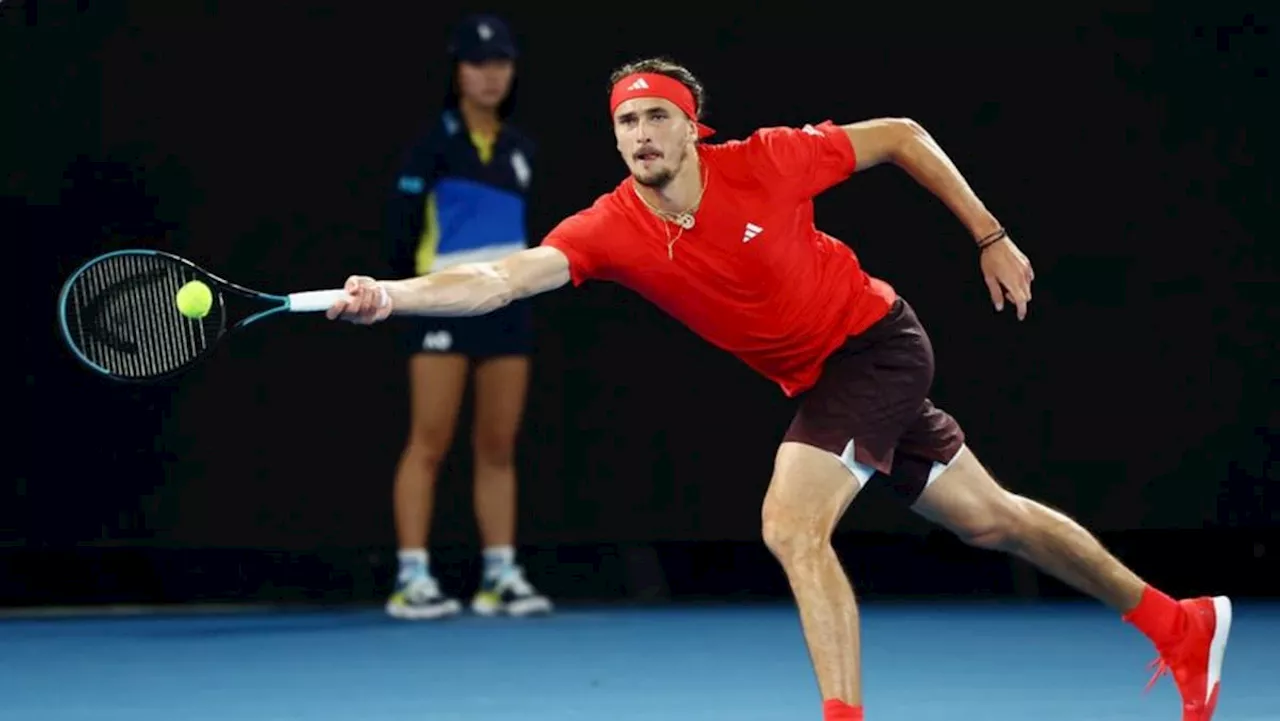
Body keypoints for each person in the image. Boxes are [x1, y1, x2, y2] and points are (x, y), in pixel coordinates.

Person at [332, 57, 1231, 720]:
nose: (640, 134)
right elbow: (498, 280)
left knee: (790, 525)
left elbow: (904, 138)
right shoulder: (608, 227)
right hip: (823, 374)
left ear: (693, 126)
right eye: (625, 122)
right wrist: (390, 296)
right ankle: (1178, 623)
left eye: (656, 117)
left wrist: (991, 235)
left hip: (876, 346)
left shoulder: (767, 160)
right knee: (993, 518)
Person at [380, 13, 552, 620]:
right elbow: (401, 238)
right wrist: (413, 295)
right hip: (442, 307)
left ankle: (500, 576)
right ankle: (412, 576)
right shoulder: (431, 145)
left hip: (507, 308)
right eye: (478, 63)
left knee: (498, 446)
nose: (490, 75)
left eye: (500, 63)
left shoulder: (523, 150)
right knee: (429, 442)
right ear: (457, 71)